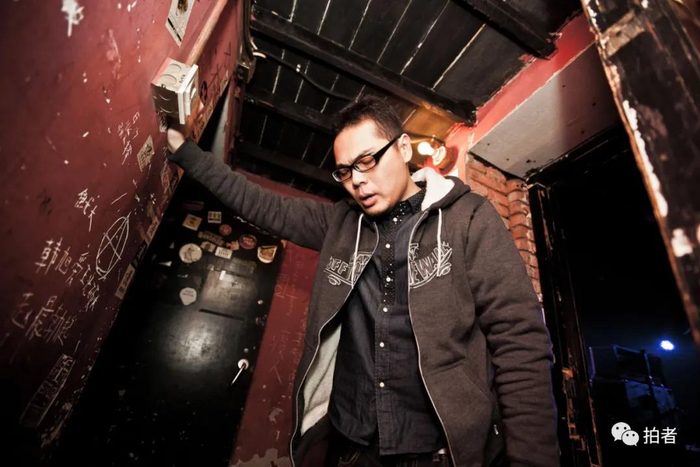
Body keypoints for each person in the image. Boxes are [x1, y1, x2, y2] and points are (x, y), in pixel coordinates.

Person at [166, 96, 560, 467]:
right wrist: (184, 150)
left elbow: (519, 340)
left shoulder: (467, 217)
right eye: (344, 171)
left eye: (367, 161)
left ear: (403, 148)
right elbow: (262, 205)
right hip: (350, 446)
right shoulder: (341, 224)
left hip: (438, 452)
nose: (356, 180)